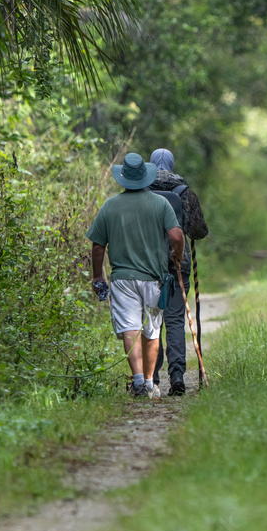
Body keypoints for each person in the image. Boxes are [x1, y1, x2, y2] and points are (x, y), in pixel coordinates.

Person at [88, 152, 185, 399]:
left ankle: (138, 381)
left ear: (123, 179)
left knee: (130, 328)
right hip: (154, 277)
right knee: (152, 331)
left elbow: (98, 246)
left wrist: (98, 275)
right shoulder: (161, 204)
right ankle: (151, 384)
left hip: (122, 279)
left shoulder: (110, 205)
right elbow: (176, 235)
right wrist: (177, 255)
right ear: (144, 177)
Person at [148, 148, 209, 396]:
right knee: (174, 319)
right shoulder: (185, 193)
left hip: (148, 264)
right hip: (177, 264)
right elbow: (199, 231)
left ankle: (152, 378)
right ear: (172, 165)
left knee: (153, 320)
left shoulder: (141, 190)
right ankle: (177, 377)